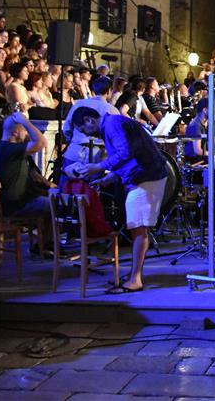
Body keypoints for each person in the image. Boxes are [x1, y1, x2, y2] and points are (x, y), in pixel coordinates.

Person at [74, 107, 168, 294]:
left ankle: (136, 279)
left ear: (89, 120)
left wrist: (98, 167)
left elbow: (125, 153)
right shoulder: (114, 123)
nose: (89, 135)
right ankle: (135, 274)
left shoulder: (112, 124)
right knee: (137, 228)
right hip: (143, 177)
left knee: (139, 229)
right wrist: (106, 178)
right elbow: (129, 156)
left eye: (85, 130)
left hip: (145, 178)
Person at [0, 111, 51, 250]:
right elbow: (42, 142)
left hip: (8, 202)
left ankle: (43, 242)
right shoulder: (10, 149)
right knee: (53, 204)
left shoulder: (0, 147)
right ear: (15, 133)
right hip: (15, 205)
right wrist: (25, 121)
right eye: (24, 131)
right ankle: (46, 246)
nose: (26, 134)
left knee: (48, 196)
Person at [184, 98, 208, 163]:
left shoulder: (207, 123)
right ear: (205, 110)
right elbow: (197, 150)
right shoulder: (196, 125)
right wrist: (213, 155)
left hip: (203, 157)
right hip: (195, 160)